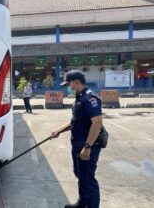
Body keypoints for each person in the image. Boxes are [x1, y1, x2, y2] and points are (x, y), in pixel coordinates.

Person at [51, 70, 103, 208]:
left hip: (86, 145)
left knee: (88, 180)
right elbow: (75, 122)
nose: (68, 87)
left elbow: (97, 122)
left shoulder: (90, 98)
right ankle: (82, 203)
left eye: (69, 84)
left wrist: (87, 146)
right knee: (80, 175)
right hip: (77, 144)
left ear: (76, 82)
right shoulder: (79, 99)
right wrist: (59, 131)